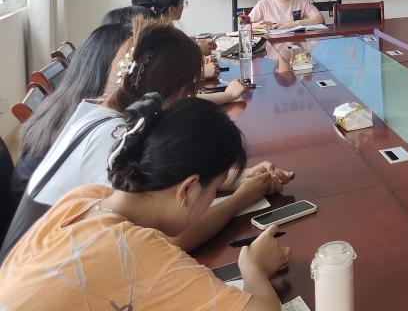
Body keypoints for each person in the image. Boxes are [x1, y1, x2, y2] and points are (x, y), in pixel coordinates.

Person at [1, 21, 294, 258]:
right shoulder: (112, 138)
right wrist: (241, 198)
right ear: (179, 93)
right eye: (190, 92)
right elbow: (173, 238)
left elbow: (161, 186)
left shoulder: (99, 112)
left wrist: (233, 178)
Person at [0, 94, 288, 310]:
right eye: (214, 191)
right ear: (188, 189)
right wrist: (254, 270)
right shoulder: (136, 252)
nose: (213, 198)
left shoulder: (87, 197)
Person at [12, 22, 133, 203]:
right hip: (44, 215)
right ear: (116, 71)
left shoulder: (62, 103)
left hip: (36, 209)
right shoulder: (92, 122)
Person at [131, 0, 217, 61]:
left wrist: (191, 45)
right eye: (182, 2)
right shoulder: (159, 39)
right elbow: (170, 64)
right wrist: (197, 51)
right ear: (171, 9)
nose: (183, 6)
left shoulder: (146, 33)